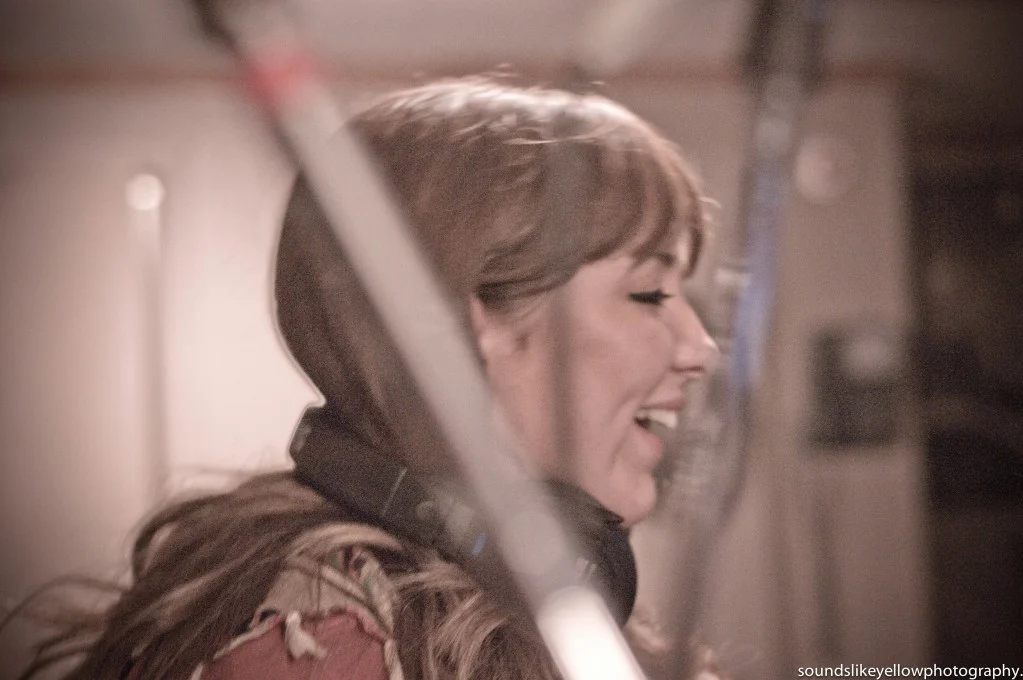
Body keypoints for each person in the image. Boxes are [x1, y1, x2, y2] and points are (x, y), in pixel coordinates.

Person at [17, 77, 718, 680]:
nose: (700, 348)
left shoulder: (513, 600)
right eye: (649, 295)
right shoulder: (321, 645)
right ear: (474, 319)